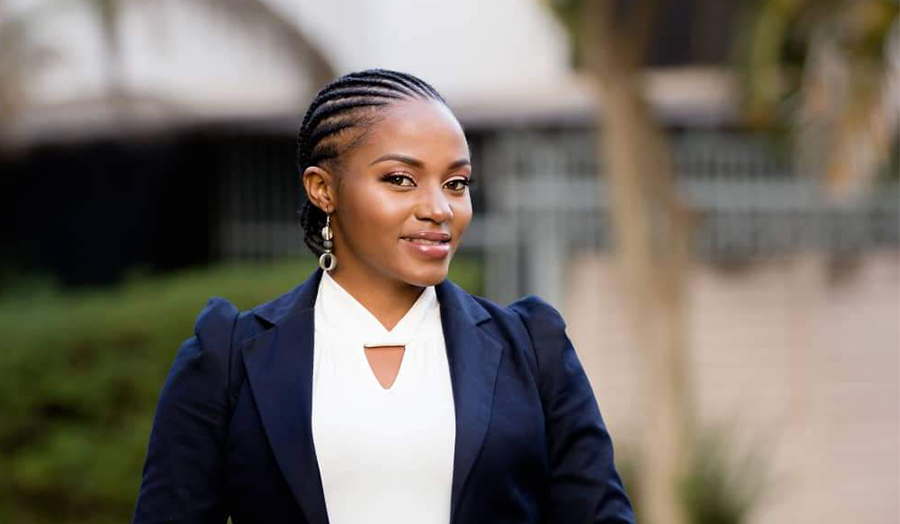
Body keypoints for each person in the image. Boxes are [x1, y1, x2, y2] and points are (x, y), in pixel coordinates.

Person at [132, 69, 635, 524]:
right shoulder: (227, 359)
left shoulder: (533, 349)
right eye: (400, 179)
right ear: (322, 189)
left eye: (456, 183)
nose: (439, 208)